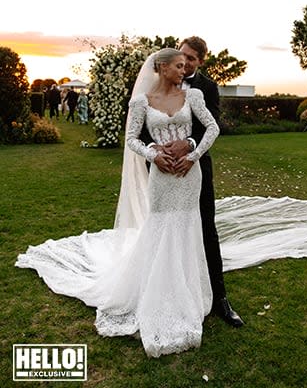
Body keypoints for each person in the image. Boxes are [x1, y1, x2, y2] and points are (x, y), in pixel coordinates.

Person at [17, 48, 220, 358]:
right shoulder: (141, 102)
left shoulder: (192, 97)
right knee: (161, 227)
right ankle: (156, 294)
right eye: (178, 66)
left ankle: (187, 294)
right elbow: (132, 139)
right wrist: (154, 154)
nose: (183, 70)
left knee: (187, 229)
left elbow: (213, 128)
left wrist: (193, 156)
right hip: (162, 178)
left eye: (185, 65)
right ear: (161, 67)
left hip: (189, 178)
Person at [171, 36, 244, 327]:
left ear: (200, 62)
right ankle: (171, 292)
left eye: (191, 58)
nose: (185, 62)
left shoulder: (208, 87)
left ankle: (220, 298)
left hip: (197, 167)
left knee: (206, 230)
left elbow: (211, 128)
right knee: (168, 230)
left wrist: (189, 148)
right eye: (182, 55)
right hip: (163, 171)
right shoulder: (161, 79)